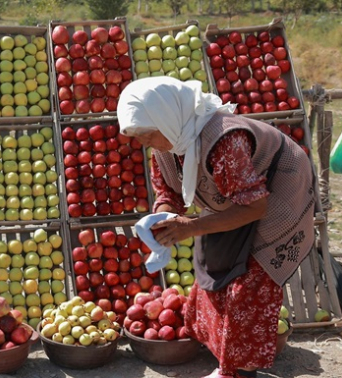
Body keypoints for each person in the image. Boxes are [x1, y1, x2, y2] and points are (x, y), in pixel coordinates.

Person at [117, 77, 315, 378]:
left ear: (166, 118)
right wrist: (163, 217)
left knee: (249, 282)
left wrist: (192, 225)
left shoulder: (224, 140)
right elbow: (168, 192)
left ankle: (240, 370)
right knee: (212, 266)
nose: (143, 144)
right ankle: (226, 360)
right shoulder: (169, 142)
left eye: (146, 135)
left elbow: (254, 207)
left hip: (278, 193)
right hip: (236, 196)